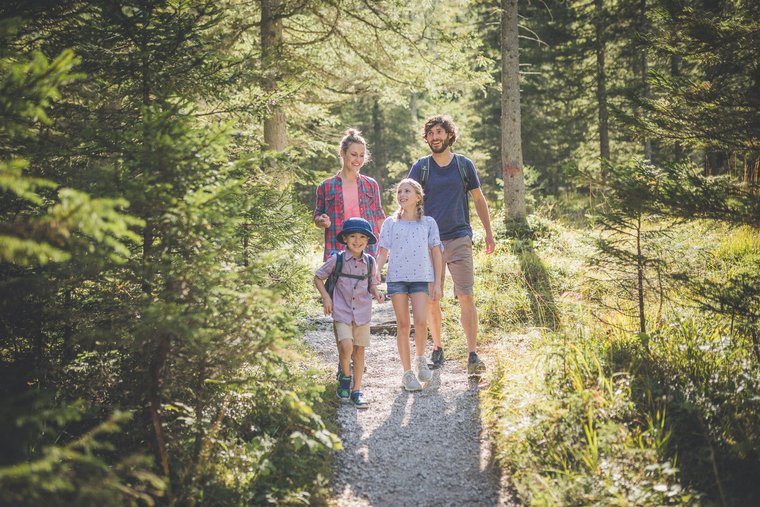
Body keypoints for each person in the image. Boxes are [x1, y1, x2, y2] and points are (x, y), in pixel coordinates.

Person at [408, 115, 495, 376]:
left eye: (439, 132)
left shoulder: (463, 165)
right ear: (427, 139)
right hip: (430, 242)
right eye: (430, 134)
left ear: (448, 135)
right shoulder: (421, 168)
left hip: (459, 237)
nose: (435, 137)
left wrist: (488, 233)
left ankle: (471, 353)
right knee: (433, 298)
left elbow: (479, 200)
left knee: (466, 295)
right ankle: (437, 347)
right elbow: (408, 202)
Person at [375, 179, 443, 392]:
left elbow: (436, 252)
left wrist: (437, 282)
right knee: (403, 325)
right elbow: (383, 251)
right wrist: (375, 271)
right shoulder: (390, 223)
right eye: (399, 191)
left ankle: (420, 359)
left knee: (421, 322)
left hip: (421, 278)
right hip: (397, 279)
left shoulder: (428, 223)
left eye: (407, 191)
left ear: (418, 197)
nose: (402, 194)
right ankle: (406, 373)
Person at [314, 217, 384, 408]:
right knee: (346, 346)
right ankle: (345, 377)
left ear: (368, 241)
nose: (357, 240)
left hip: (362, 313)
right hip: (341, 310)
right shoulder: (337, 259)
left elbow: (372, 284)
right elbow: (318, 277)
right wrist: (327, 298)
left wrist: (377, 293)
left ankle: (357, 390)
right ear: (345, 238)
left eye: (362, 237)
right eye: (352, 236)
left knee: (359, 352)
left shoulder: (370, 262)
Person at [314, 128, 385, 261]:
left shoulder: (371, 184)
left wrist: (388, 247)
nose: (358, 159)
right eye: (353, 154)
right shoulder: (326, 186)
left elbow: (379, 218)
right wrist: (322, 220)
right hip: (337, 250)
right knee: (338, 282)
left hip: (367, 251)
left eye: (362, 155)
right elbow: (317, 217)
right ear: (342, 153)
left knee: (367, 282)